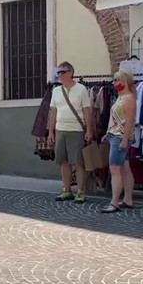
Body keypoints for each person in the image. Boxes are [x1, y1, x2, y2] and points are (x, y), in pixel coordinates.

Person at [48, 62, 93, 203]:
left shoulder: (81, 89)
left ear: (70, 73)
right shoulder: (56, 91)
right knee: (63, 162)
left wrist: (89, 130)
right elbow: (53, 112)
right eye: (58, 73)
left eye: (62, 72)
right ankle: (66, 190)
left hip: (76, 130)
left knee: (79, 162)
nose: (59, 75)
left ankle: (80, 191)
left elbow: (87, 111)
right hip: (60, 129)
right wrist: (51, 132)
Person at [101, 71, 136, 213]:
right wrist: (108, 133)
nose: (114, 83)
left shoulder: (127, 98)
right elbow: (116, 119)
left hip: (120, 137)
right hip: (116, 135)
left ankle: (114, 201)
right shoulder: (121, 97)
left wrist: (124, 139)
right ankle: (127, 198)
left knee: (115, 169)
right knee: (124, 168)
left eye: (117, 80)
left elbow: (129, 121)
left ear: (124, 81)